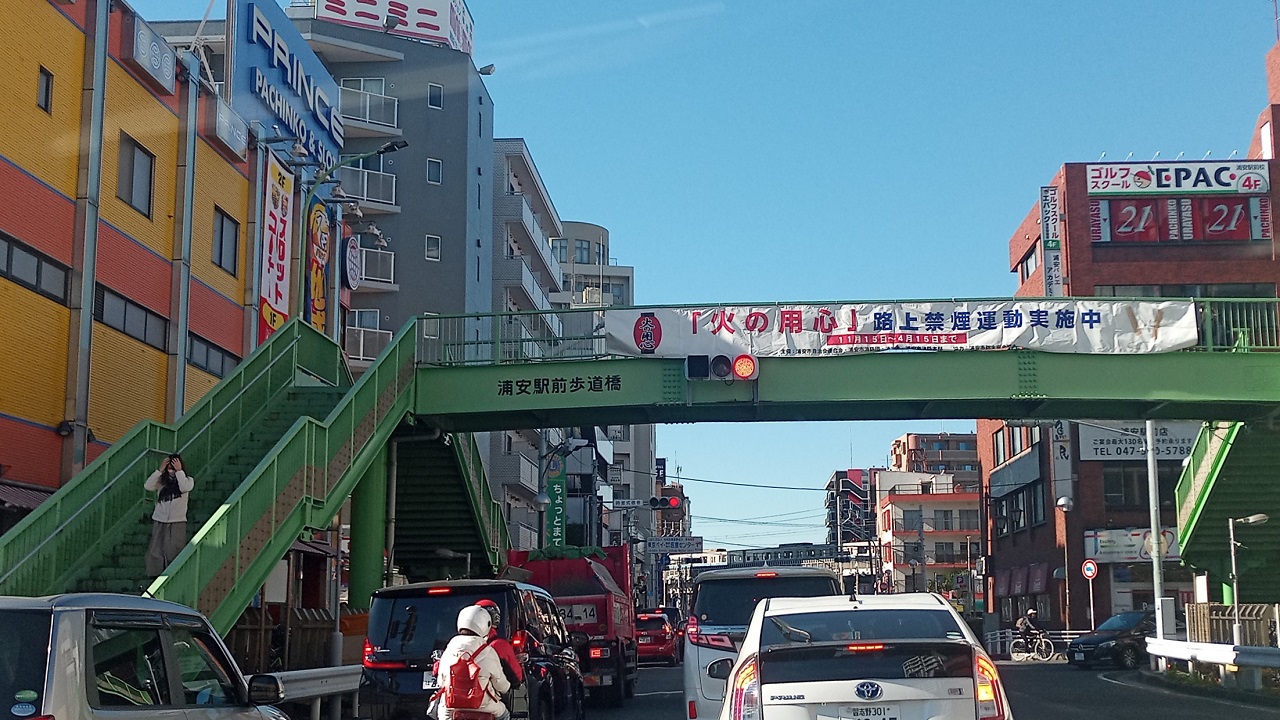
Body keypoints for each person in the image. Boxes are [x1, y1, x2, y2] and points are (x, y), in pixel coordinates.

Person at [434, 606, 511, 720]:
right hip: (484, 706)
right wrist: (507, 687)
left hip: (451, 708)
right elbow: (501, 684)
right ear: (486, 625)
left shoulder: (449, 650)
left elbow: (441, 682)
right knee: (505, 715)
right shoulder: (489, 652)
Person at [144, 453, 194, 577]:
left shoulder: (187, 480)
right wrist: (160, 470)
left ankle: (173, 573)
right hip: (160, 519)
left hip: (177, 520)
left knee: (174, 548)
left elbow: (184, 487)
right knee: (156, 548)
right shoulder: (161, 481)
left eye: (173, 464)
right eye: (169, 465)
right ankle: (155, 573)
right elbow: (148, 486)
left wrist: (179, 471)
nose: (171, 468)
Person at [475, 599, 524, 686]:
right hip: (488, 696)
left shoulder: (454, 645)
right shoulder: (499, 645)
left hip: (453, 697)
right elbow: (517, 678)